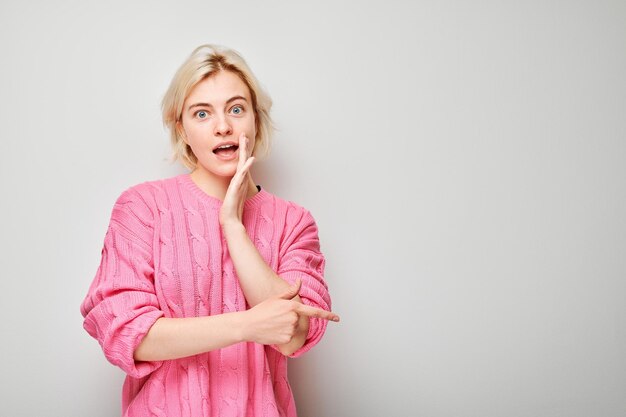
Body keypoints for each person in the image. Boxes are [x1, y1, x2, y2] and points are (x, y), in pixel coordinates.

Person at [80, 44, 339, 417]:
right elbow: (128, 334)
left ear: (256, 120)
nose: (223, 126)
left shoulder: (293, 222)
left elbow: (293, 333)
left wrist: (233, 225)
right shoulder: (142, 208)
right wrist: (248, 325)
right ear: (181, 129)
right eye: (202, 113)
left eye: (236, 109)